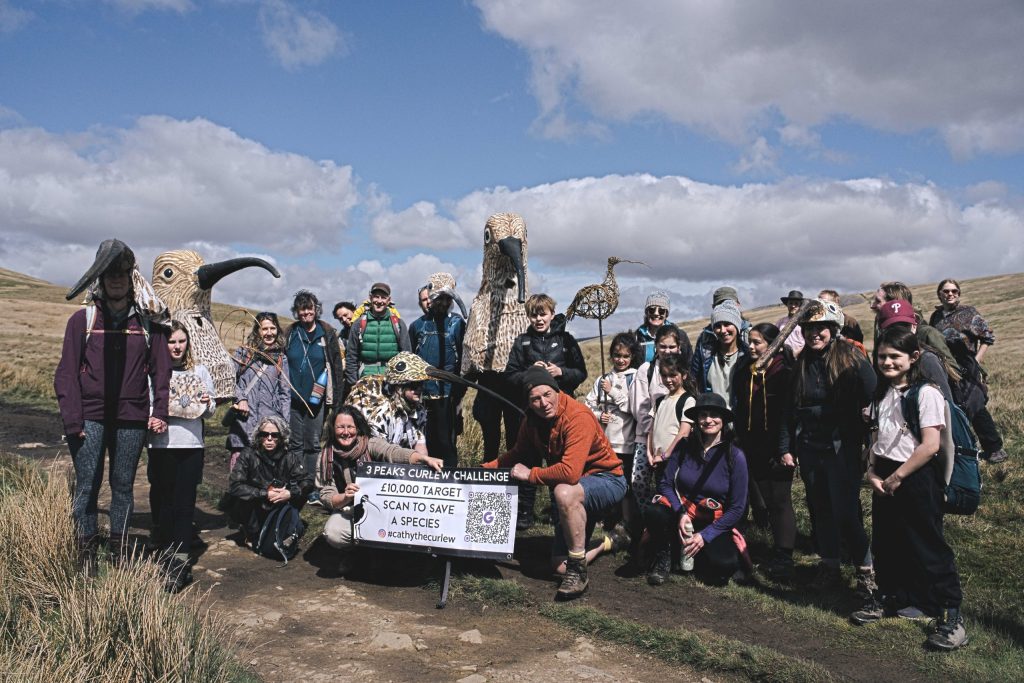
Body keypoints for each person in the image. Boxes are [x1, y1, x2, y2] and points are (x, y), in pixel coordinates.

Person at [54, 239, 172, 570]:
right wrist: (72, 421)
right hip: (89, 418)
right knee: (88, 484)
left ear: (131, 277)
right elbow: (65, 375)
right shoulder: (83, 320)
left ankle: (120, 556)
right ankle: (86, 554)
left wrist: (159, 411)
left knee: (122, 487)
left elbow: (161, 372)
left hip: (131, 418)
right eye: (109, 274)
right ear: (100, 279)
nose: (116, 280)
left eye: (122, 274)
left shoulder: (148, 323)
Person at [850, 326, 968, 651]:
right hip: (885, 475)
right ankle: (892, 597)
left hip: (916, 477)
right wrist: (873, 473)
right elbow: (876, 440)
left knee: (927, 544)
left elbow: (930, 445)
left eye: (894, 356)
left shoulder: (926, 393)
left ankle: (950, 614)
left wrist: (898, 477)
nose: (887, 362)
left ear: (913, 357)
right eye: (882, 356)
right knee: (888, 543)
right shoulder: (881, 394)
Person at [483, 366, 627, 599]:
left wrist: (530, 475)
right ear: (528, 403)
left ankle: (578, 573)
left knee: (563, 492)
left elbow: (569, 473)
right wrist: (483, 470)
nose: (543, 403)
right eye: (535, 399)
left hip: (607, 480)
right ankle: (608, 542)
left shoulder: (577, 416)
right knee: (560, 565)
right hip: (577, 488)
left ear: (557, 391)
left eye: (547, 394)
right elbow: (518, 453)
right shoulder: (531, 421)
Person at [779, 299, 876, 594]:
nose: (814, 334)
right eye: (809, 328)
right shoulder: (800, 364)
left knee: (846, 511)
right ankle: (830, 566)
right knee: (820, 510)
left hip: (841, 447)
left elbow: (874, 397)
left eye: (820, 328)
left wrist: (869, 443)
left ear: (833, 329)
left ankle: (865, 571)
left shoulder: (852, 359)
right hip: (810, 447)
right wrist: (787, 446)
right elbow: (788, 410)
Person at [318, 406, 444, 574]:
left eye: (350, 427)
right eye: (341, 427)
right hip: (353, 510)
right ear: (333, 429)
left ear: (358, 428)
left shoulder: (370, 443)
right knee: (334, 531)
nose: (346, 432)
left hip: (385, 509)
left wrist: (423, 458)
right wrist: (345, 497)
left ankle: (394, 555)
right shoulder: (326, 456)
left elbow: (393, 452)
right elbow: (327, 495)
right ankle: (355, 553)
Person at [646, 393, 748, 586]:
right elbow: (666, 483)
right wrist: (681, 512)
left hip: (712, 520)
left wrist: (705, 535)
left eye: (714, 415)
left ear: (724, 419)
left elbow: (737, 508)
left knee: (724, 565)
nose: (708, 420)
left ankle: (692, 550)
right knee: (654, 512)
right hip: (683, 514)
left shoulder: (735, 456)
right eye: (703, 415)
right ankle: (664, 556)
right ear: (696, 419)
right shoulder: (684, 446)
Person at [505, 293, 588, 530]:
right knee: (529, 459)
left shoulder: (566, 340)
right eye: (534, 314)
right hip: (531, 414)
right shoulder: (522, 342)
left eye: (543, 314)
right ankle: (524, 513)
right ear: (528, 316)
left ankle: (558, 510)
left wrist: (561, 373)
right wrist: (532, 373)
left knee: (559, 462)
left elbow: (580, 372)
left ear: (552, 313)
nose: (539, 319)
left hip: (561, 413)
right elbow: (510, 376)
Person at [147, 321, 216, 592]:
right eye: (171, 342)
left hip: (191, 445)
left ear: (188, 343)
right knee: (164, 502)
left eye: (181, 341)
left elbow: (210, 410)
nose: (176, 347)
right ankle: (165, 549)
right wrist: (153, 418)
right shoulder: (154, 371)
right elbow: (148, 403)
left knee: (185, 503)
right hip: (161, 445)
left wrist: (206, 402)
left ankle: (180, 561)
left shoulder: (200, 371)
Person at [733, 323, 796, 580]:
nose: (751, 346)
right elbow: (739, 406)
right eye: (750, 341)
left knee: (780, 499)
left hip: (778, 446)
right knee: (766, 498)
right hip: (752, 443)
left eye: (757, 342)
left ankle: (785, 555)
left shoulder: (784, 372)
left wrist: (785, 448)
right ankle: (773, 548)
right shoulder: (744, 371)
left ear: (772, 344)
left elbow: (787, 414)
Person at [929, 278, 1006, 463]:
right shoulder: (936, 317)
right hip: (944, 366)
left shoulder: (968, 313)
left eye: (954, 291)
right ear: (939, 294)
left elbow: (988, 336)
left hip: (966, 364)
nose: (950, 294)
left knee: (975, 405)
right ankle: (962, 448)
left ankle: (994, 448)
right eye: (946, 291)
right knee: (953, 407)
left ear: (959, 294)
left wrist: (976, 361)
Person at [285, 290, 344, 504]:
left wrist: (336, 402)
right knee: (294, 444)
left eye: (309, 308)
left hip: (317, 401)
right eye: (302, 309)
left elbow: (337, 368)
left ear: (316, 309)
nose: (306, 312)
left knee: (313, 444)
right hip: (292, 399)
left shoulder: (326, 333)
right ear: (296, 312)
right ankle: (295, 483)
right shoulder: (290, 333)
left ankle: (310, 485)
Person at [629, 325, 688, 532]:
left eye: (672, 347)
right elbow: (640, 406)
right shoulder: (647, 370)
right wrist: (651, 441)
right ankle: (649, 523)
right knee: (640, 482)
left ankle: (672, 524)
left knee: (673, 484)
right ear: (656, 347)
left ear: (679, 347)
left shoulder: (683, 370)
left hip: (675, 440)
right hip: (646, 437)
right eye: (662, 346)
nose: (667, 351)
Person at [583, 332, 641, 539]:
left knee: (625, 483)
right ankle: (606, 517)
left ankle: (626, 522)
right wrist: (600, 415)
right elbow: (588, 406)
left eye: (625, 356)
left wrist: (613, 392)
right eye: (617, 355)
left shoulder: (635, 378)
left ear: (632, 356)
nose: (621, 360)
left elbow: (634, 407)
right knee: (604, 480)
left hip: (626, 441)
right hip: (606, 442)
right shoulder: (602, 379)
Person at [228, 415, 313, 548]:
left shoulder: (289, 456)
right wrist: (265, 493)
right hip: (254, 504)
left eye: (274, 435)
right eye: (264, 434)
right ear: (258, 436)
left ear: (281, 437)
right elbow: (235, 485)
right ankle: (251, 532)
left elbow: (307, 481)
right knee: (241, 496)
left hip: (278, 502)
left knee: (302, 493)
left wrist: (290, 493)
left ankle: (285, 526)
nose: (269, 439)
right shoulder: (248, 454)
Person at [409, 279, 467, 468]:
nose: (442, 303)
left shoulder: (457, 323)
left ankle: (449, 484)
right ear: (431, 299)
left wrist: (458, 392)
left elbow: (463, 360)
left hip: (447, 395)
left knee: (446, 442)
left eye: (447, 299)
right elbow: (411, 358)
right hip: (421, 394)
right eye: (439, 299)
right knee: (422, 441)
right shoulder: (417, 326)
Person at [226, 312, 291, 472]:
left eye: (272, 328)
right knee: (240, 470)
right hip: (244, 421)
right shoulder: (244, 353)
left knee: (264, 473)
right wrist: (240, 398)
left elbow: (285, 394)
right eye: (264, 329)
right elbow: (228, 380)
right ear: (257, 331)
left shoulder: (281, 359)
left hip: (268, 425)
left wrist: (284, 426)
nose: (269, 333)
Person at [347, 351, 431, 456]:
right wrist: (411, 457)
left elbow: (420, 444)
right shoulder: (381, 410)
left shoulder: (418, 412)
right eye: (413, 385)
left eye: (421, 384)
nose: (418, 389)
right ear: (400, 386)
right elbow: (378, 449)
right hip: (370, 459)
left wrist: (423, 464)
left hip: (399, 462)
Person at [344, 282, 412, 387]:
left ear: (389, 300)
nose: (379, 301)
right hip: (365, 380)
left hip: (391, 381)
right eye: (376, 297)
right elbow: (351, 356)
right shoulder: (359, 324)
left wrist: (404, 384)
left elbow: (407, 356)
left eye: (383, 297)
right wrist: (354, 383)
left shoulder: (398, 324)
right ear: (370, 298)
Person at [691, 286, 750, 387]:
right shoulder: (705, 339)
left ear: (738, 304)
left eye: (729, 303)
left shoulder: (750, 336)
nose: (723, 330)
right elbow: (695, 374)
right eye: (720, 304)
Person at [635, 291, 675, 364]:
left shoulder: (678, 335)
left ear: (666, 314)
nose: (656, 313)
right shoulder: (637, 336)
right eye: (652, 310)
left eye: (661, 311)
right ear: (646, 312)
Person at [775, 290, 805, 356]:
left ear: (800, 306)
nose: (793, 306)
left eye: (796, 304)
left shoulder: (805, 322)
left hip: (801, 356)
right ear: (787, 305)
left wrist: (797, 353)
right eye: (791, 303)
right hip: (782, 356)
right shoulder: (780, 322)